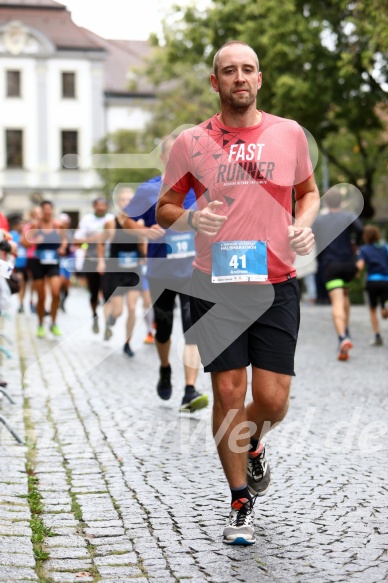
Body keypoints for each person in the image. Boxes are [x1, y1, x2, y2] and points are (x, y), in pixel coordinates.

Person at [156, 41, 319, 545]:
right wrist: (189, 217)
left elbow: (308, 192)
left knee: (271, 401)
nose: (239, 78)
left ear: (260, 79)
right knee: (228, 391)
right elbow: (164, 208)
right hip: (215, 283)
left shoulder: (289, 134)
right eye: (229, 71)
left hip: (275, 282)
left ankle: (251, 445)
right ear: (215, 82)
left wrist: (305, 225)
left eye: (248, 69)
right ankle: (239, 500)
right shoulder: (191, 141)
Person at [125, 135, 209, 413]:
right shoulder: (149, 190)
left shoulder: (200, 189)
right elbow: (125, 219)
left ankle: (189, 390)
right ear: (162, 159)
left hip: (192, 271)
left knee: (193, 330)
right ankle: (164, 369)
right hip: (161, 272)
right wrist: (143, 231)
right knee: (164, 330)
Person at [312, 188, 364, 360]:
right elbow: (361, 229)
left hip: (330, 265)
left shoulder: (319, 220)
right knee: (345, 295)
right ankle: (346, 328)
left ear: (326, 202)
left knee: (337, 301)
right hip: (349, 264)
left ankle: (342, 336)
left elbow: (314, 239)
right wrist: (355, 244)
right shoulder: (348, 216)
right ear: (341, 202)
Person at [97, 188, 145, 357]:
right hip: (115, 271)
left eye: (130, 199)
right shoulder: (111, 223)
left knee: (132, 308)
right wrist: (101, 261)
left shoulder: (139, 223)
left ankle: (127, 343)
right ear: (118, 203)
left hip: (133, 271)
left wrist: (144, 256)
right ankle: (111, 320)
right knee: (118, 311)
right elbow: (101, 243)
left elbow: (142, 242)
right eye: (123, 199)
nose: (127, 202)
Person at [21, 200, 68, 338]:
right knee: (41, 297)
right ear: (41, 211)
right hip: (38, 263)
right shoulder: (36, 225)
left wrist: (62, 248)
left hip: (53, 261)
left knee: (55, 292)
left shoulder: (57, 225)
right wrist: (35, 241)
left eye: (49, 209)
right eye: (45, 209)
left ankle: (53, 323)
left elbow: (64, 240)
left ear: (52, 210)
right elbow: (24, 242)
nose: (47, 212)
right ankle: (41, 324)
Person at [73, 198, 114, 333]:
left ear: (107, 206)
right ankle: (94, 315)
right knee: (94, 293)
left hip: (108, 260)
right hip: (90, 259)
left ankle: (107, 322)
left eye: (103, 205)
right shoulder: (86, 220)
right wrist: (92, 240)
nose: (101, 208)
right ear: (94, 206)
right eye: (98, 205)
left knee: (108, 292)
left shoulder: (111, 219)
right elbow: (76, 242)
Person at [356, 224, 388, 346]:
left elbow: (360, 265)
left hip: (372, 281)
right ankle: (386, 306)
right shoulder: (385, 247)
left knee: (373, 309)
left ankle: (377, 335)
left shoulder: (363, 249)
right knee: (384, 310)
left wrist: (356, 273)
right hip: (386, 280)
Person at [8, 213, 28, 313]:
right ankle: (20, 303)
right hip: (17, 263)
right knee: (20, 282)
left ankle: (22, 302)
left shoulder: (26, 234)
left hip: (27, 262)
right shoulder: (12, 235)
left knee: (25, 284)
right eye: (21, 224)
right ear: (16, 225)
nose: (23, 226)